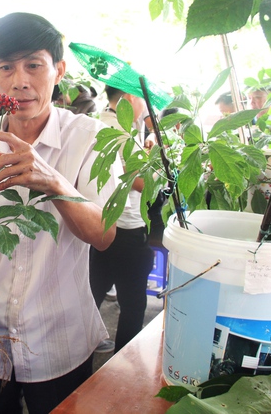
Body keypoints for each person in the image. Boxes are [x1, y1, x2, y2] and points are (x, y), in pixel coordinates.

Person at [0, 12, 121, 414]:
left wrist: (53, 181)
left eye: (33, 65)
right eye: (6, 67)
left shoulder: (90, 137)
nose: (19, 80)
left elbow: (104, 235)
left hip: (61, 341)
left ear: (58, 70)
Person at [90, 85, 155, 355]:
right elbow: (139, 182)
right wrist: (152, 158)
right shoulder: (125, 131)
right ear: (130, 97)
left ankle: (82, 347)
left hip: (97, 223)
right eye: (143, 98)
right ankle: (123, 363)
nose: (146, 105)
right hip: (127, 225)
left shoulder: (98, 123)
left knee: (93, 291)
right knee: (134, 304)